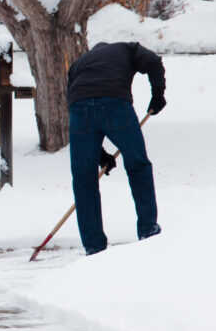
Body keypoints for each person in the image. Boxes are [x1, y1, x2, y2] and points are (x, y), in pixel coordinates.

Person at [66, 41, 166, 255]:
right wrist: (158, 94)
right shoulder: (127, 49)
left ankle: (94, 247)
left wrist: (99, 155)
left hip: (79, 107)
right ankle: (148, 229)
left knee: (84, 179)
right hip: (114, 104)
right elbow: (154, 61)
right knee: (138, 165)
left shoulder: (78, 64)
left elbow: (77, 104)